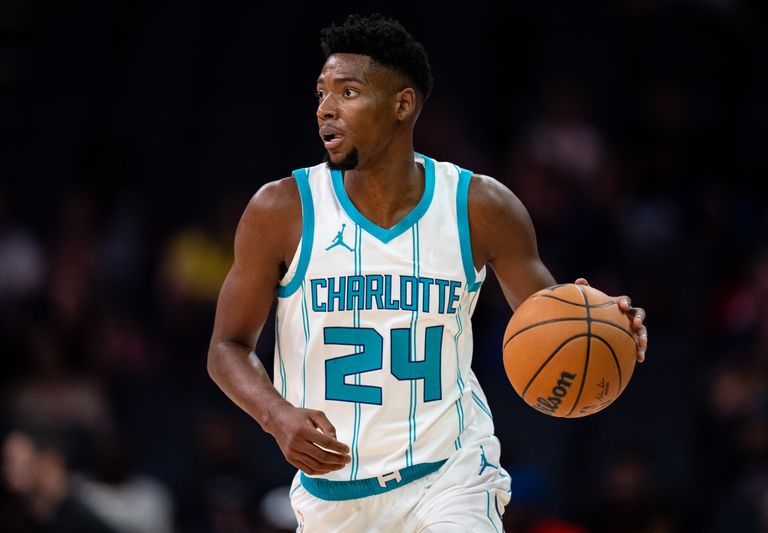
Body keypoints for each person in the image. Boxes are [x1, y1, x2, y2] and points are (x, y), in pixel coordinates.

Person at [207, 13, 648, 532]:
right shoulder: (281, 210)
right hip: (333, 496)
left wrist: (601, 323)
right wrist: (275, 415)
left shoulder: (480, 206)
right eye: (321, 93)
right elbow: (226, 347)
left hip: (450, 476)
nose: (325, 108)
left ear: (402, 104)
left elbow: (548, 316)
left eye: (348, 92)